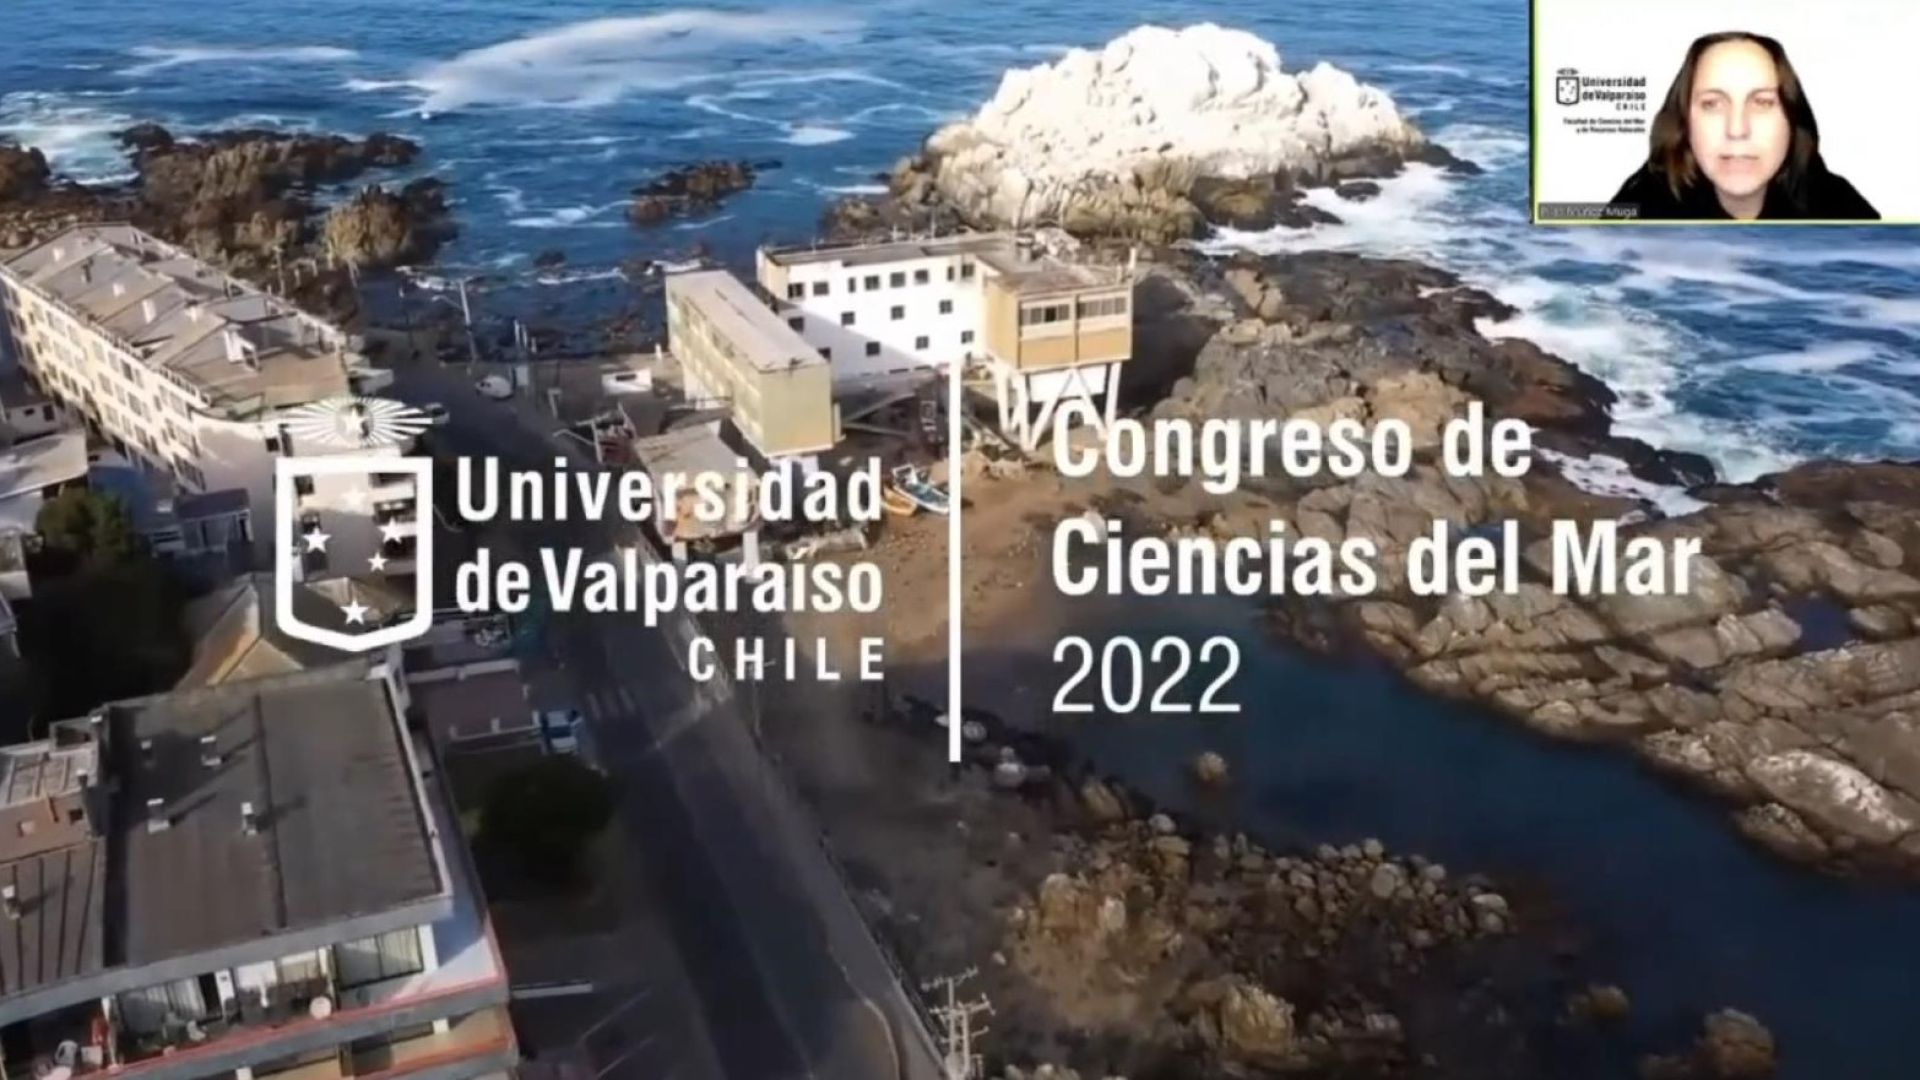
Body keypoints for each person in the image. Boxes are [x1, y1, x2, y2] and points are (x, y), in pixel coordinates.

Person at [1610, 32, 1879, 220]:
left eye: (1762, 103)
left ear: (1791, 119)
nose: (1737, 129)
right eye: (1712, 104)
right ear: (1684, 122)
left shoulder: (1843, 211)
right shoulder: (1631, 215)